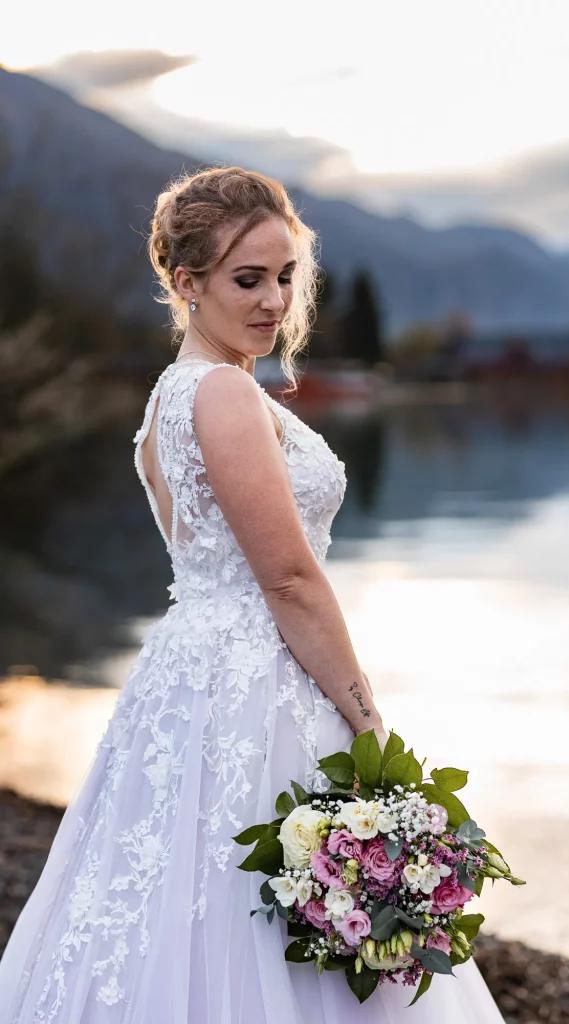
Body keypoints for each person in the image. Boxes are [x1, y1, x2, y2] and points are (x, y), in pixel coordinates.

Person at [0, 166, 506, 1022]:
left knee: (183, 910)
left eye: (283, 277)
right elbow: (289, 578)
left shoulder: (169, 400)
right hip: (258, 681)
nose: (273, 301)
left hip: (190, 676)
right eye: (248, 279)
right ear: (185, 282)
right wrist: (367, 719)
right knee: (265, 919)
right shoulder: (224, 393)